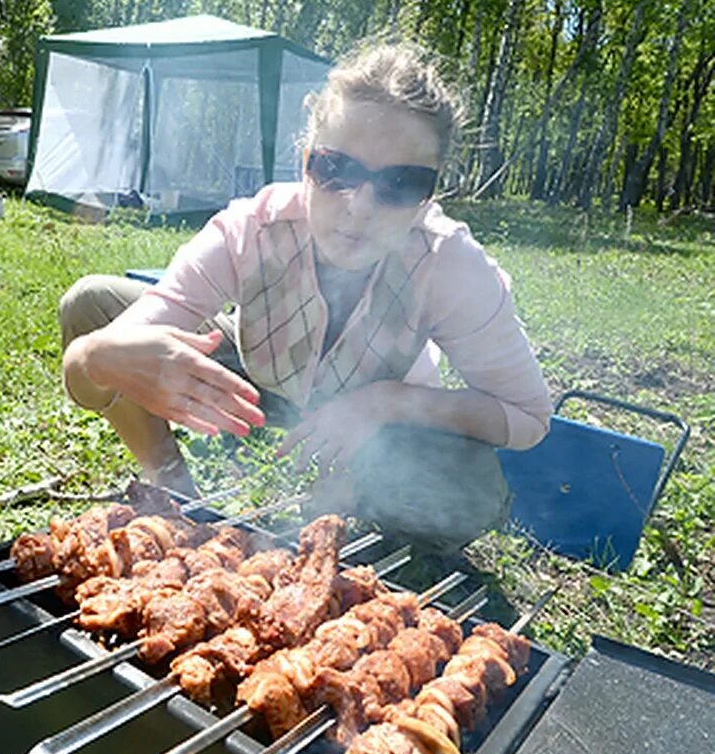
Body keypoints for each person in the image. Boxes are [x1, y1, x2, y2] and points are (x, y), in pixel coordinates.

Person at [59, 42, 552, 553]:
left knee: (469, 493)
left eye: (400, 184)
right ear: (305, 161)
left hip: (376, 408)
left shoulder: (450, 265)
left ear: (431, 192)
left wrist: (385, 403)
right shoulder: (252, 228)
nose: (358, 206)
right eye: (336, 170)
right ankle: (174, 489)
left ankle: (345, 499)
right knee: (93, 306)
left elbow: (527, 417)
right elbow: (98, 366)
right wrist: (95, 356)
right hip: (256, 372)